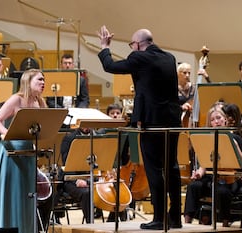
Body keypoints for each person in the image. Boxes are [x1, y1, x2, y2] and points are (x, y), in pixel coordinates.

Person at [97, 26, 182, 229]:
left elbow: (110, 66)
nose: (132, 49)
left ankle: (160, 218)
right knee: (172, 167)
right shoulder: (169, 58)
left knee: (154, 169)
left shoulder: (139, 58)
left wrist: (104, 46)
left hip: (152, 121)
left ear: (138, 45)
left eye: (132, 45)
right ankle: (175, 217)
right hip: (172, 119)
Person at [0, 69, 48, 233]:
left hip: (28, 153)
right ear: (28, 81)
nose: (43, 83)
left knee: (26, 195)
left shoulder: (40, 103)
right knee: (12, 194)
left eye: (44, 80)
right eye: (39, 80)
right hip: (11, 152)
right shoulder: (16, 99)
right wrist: (6, 133)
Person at [184, 105, 242, 228]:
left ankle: (225, 223)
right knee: (194, 186)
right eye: (213, 120)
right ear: (211, 124)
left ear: (225, 119)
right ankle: (187, 221)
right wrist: (199, 172)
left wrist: (234, 144)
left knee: (222, 190)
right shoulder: (208, 138)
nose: (217, 122)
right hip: (211, 176)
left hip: (230, 178)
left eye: (219, 118)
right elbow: (204, 162)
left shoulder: (235, 137)